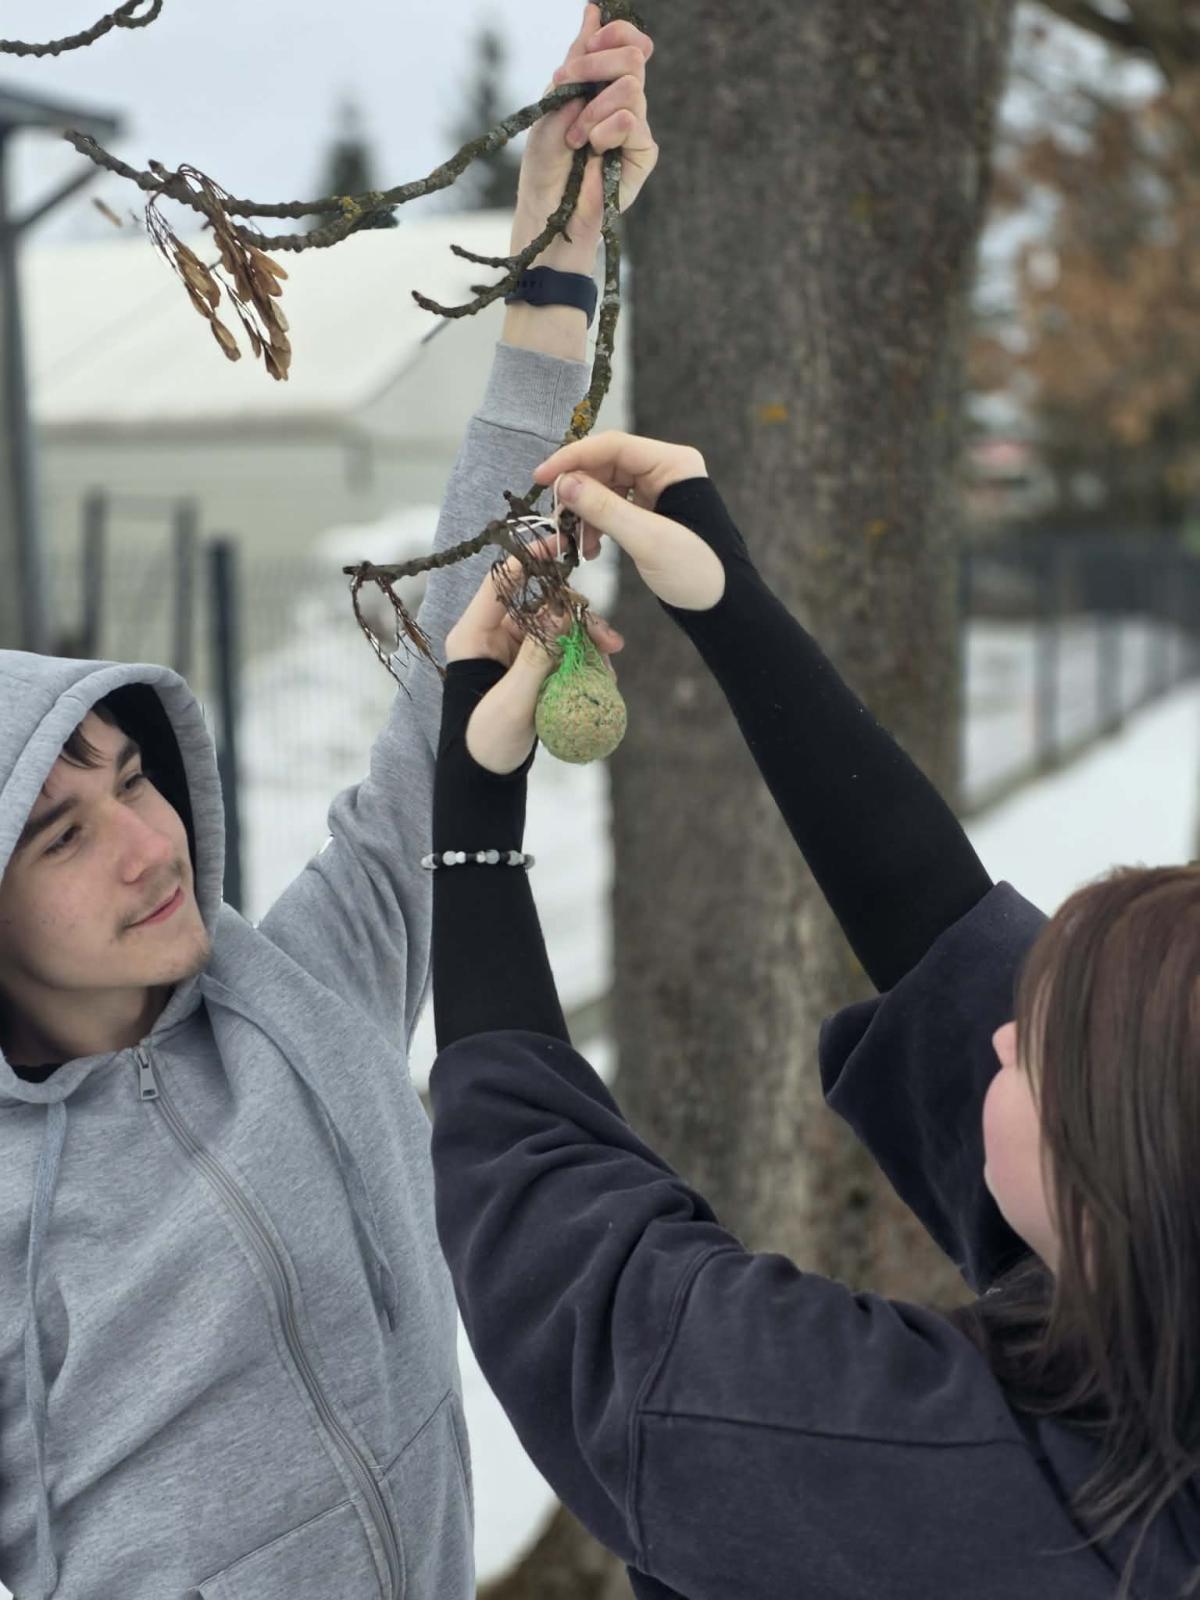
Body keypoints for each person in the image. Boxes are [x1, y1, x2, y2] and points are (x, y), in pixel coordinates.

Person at [0, 11, 655, 1597]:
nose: (146, 845)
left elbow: (441, 681)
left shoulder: (303, 993)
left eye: (134, 779)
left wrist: (554, 256)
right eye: (63, 832)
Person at [427, 430, 1200, 1600]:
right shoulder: (1157, 1338)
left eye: (1043, 1054)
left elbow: (588, 1296)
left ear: (1128, 1181)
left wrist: (475, 824)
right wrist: (727, 603)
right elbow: (949, 945)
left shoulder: (939, 1485)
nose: (1000, 1032)